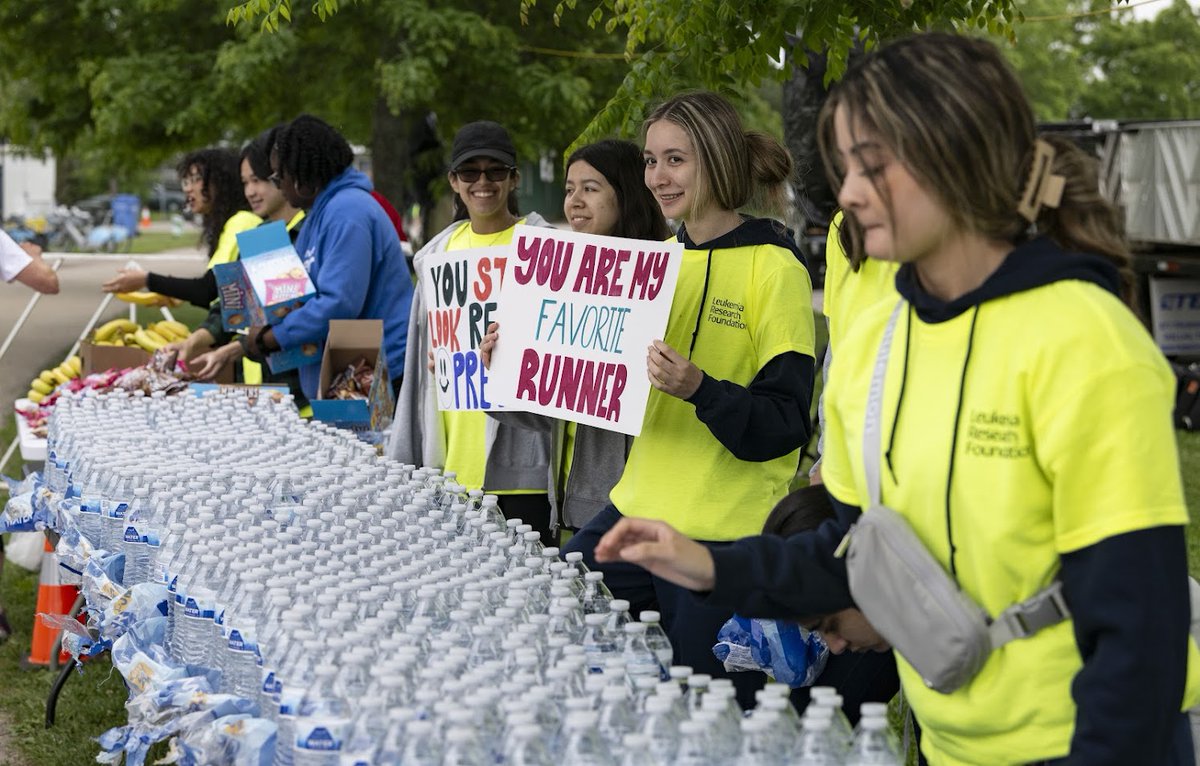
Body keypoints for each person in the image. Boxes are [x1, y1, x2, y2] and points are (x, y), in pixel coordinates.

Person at [595, 34, 1200, 765]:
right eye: (846, 167)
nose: (849, 194)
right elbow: (855, 555)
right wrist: (711, 567)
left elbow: (1141, 631)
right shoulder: (880, 345)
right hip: (949, 746)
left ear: (959, 160)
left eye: (873, 166)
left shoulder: (1084, 338)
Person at [562, 91, 817, 710]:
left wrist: (700, 389)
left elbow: (785, 425)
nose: (658, 177)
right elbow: (593, 376)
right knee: (562, 627)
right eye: (651, 161)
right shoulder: (659, 262)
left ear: (718, 160)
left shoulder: (775, 267)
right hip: (633, 512)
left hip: (722, 537)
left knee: (711, 719)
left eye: (675, 160)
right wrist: (515, 351)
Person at [478, 139, 671, 535]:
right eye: (569, 189)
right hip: (568, 503)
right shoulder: (561, 280)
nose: (575, 201)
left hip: (636, 506)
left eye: (590, 188)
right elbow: (549, 411)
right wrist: (499, 371)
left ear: (627, 193)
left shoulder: (664, 280)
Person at [387, 121, 557, 545]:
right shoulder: (437, 256)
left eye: (495, 170)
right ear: (454, 182)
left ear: (514, 178)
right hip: (452, 470)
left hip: (521, 471)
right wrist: (434, 360)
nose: (483, 182)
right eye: (470, 172)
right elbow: (419, 362)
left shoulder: (545, 249)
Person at [244, 114, 412, 403]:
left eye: (278, 176)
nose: (279, 185)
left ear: (301, 174)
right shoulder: (319, 215)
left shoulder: (348, 212)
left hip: (379, 377)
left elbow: (339, 303)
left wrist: (273, 337)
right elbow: (301, 294)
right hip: (347, 377)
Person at [168, 129, 308, 401]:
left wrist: (234, 349)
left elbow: (291, 321)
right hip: (263, 392)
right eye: (245, 183)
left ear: (280, 176)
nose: (250, 192)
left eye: (257, 180)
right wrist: (194, 342)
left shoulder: (305, 233)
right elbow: (232, 305)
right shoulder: (262, 236)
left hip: (301, 397)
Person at [102, 149, 260, 304]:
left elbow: (208, 290)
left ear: (221, 183)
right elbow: (226, 297)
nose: (188, 189)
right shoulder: (230, 222)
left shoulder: (242, 221)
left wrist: (146, 280)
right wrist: (178, 295)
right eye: (187, 181)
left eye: (197, 179)